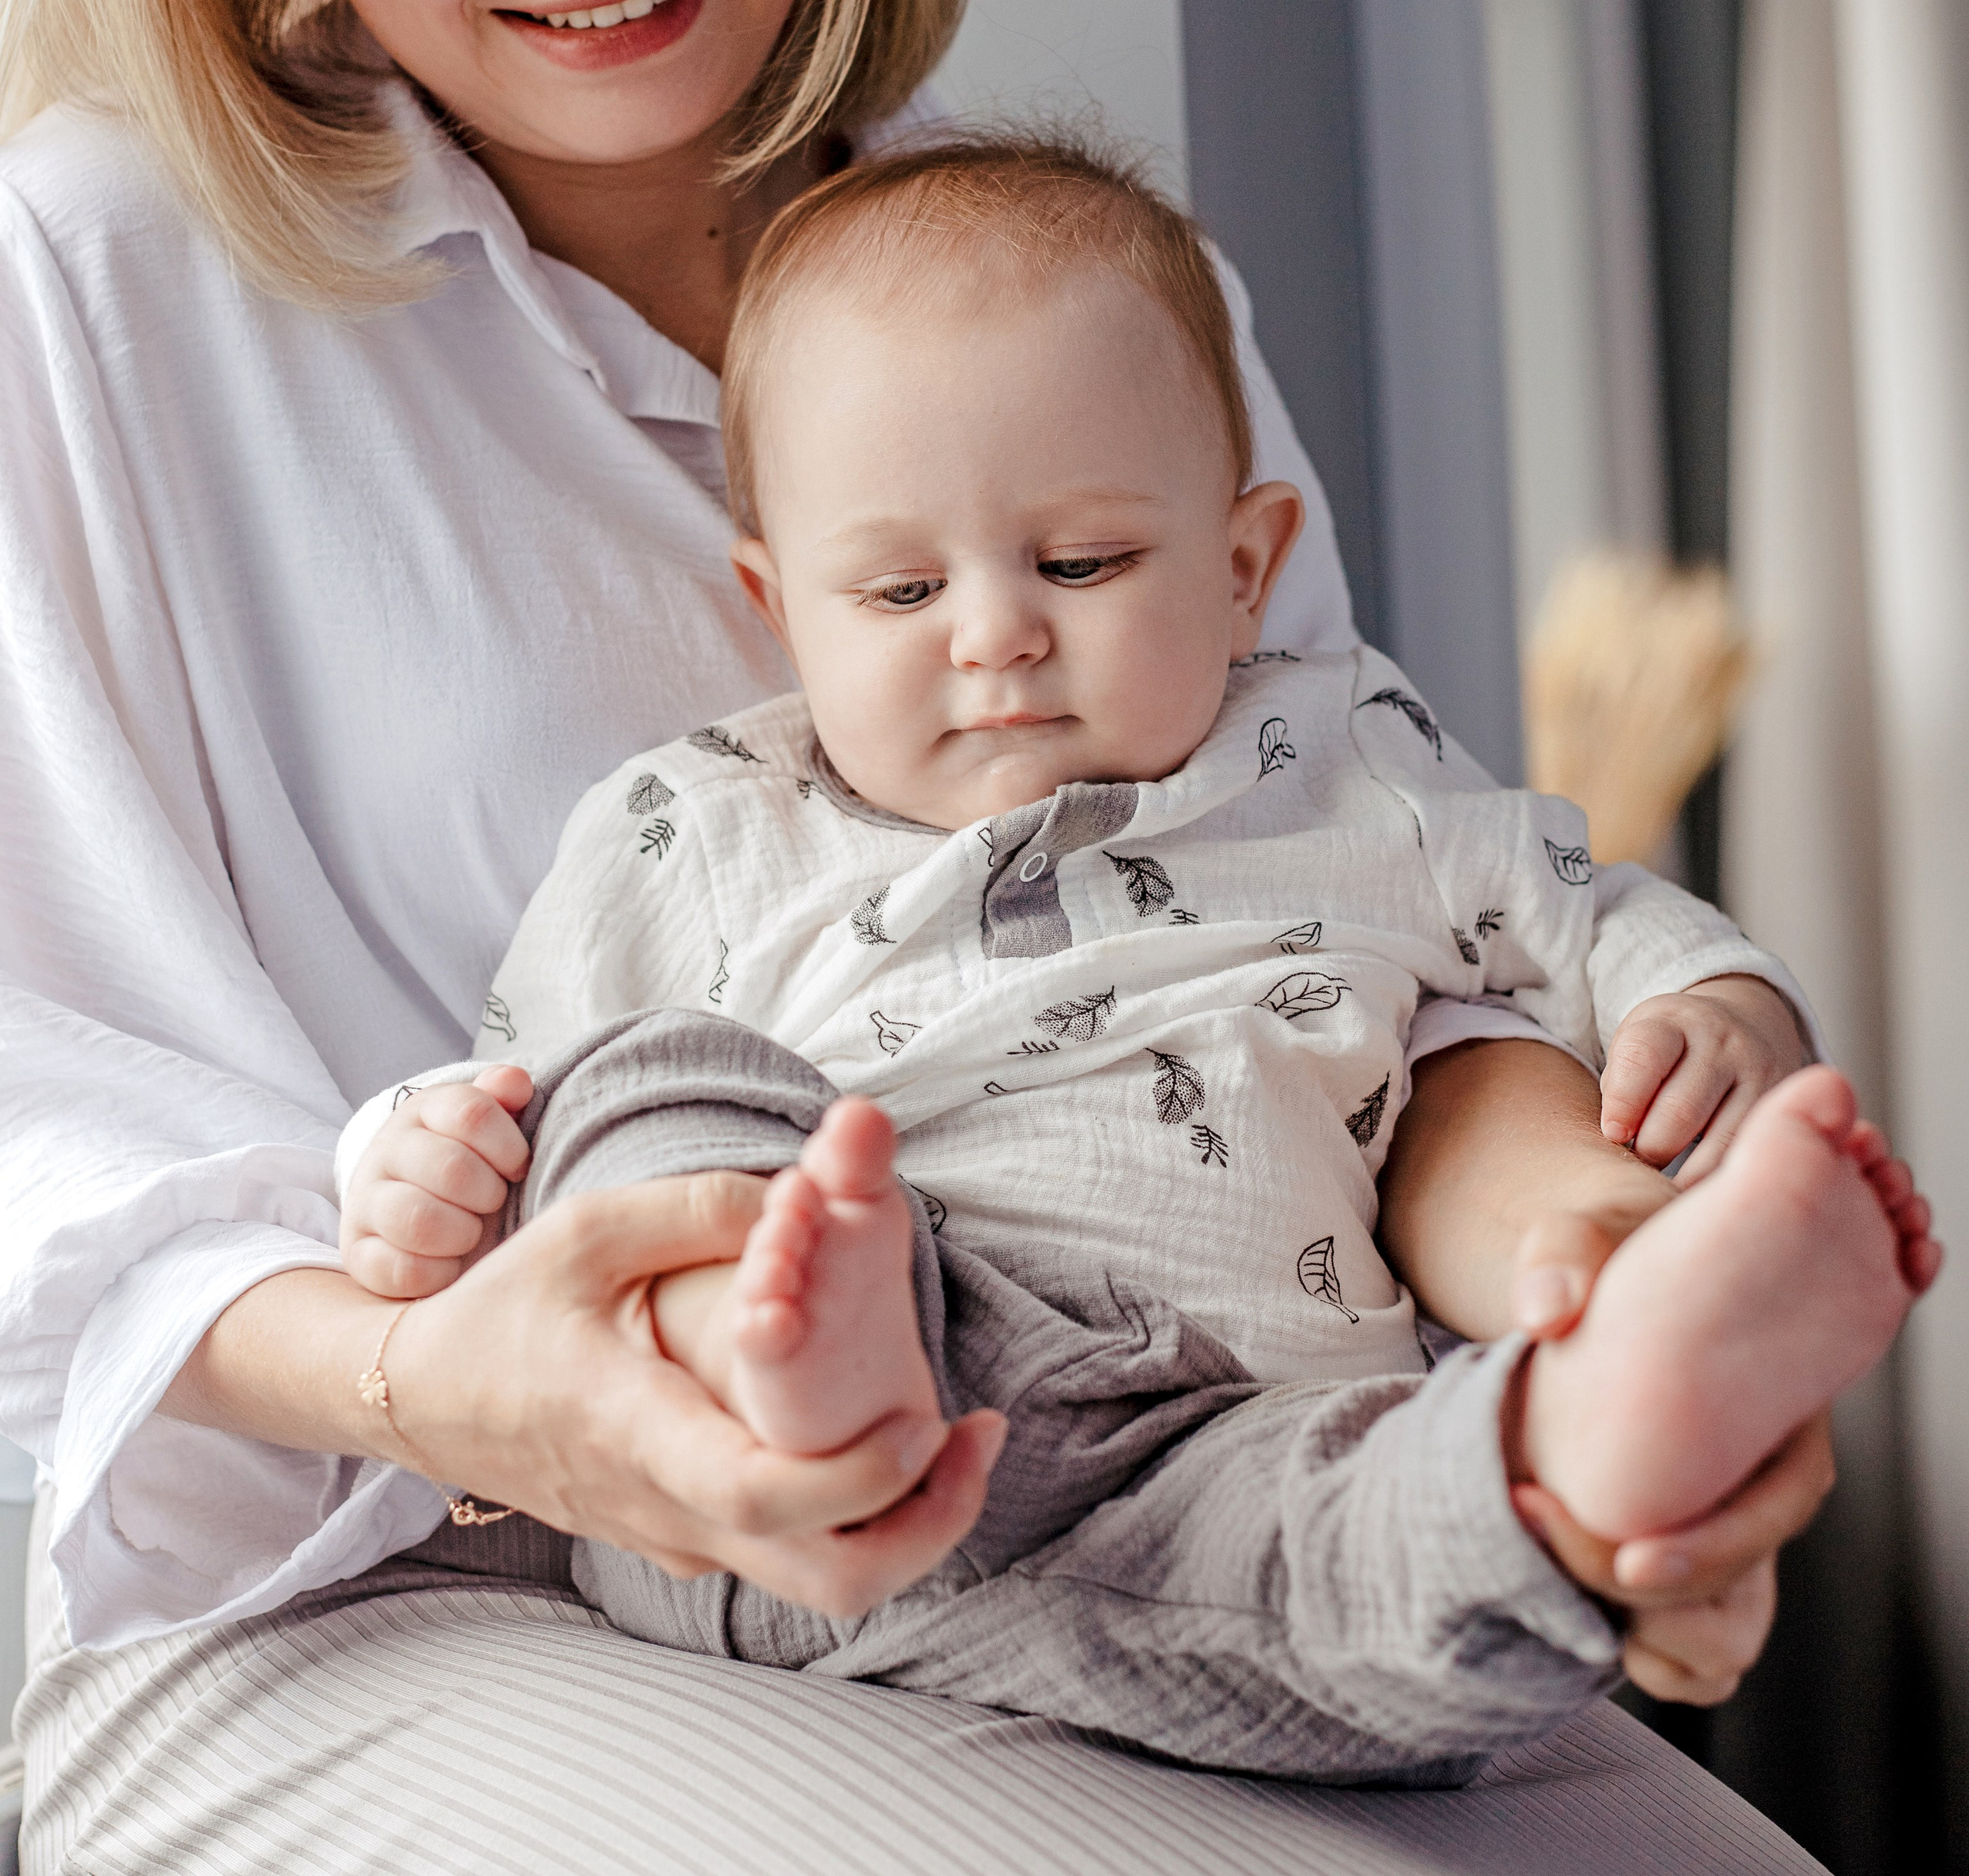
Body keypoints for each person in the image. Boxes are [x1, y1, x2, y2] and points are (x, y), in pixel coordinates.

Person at [0, 0, 1839, 1866]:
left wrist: (1578, 1276)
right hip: (371, 1593)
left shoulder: (1076, 298)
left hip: (1138, 1488)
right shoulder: (97, 281)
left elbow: (1333, 912)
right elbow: (29, 1106)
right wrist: (454, 1369)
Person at [334, 137, 1934, 1781]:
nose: (993, 634)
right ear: (775, 607)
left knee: (1376, 1551)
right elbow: (514, 1088)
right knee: (652, 1085)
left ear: (1243, 570)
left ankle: (1584, 1442)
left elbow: (1573, 910)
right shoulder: (704, 817)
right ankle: (795, 1346)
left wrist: (1711, 1002)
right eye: (896, 588)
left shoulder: (1341, 759)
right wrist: (412, 1158)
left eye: (1080, 564)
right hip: (764, 1487)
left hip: (1214, 1452)